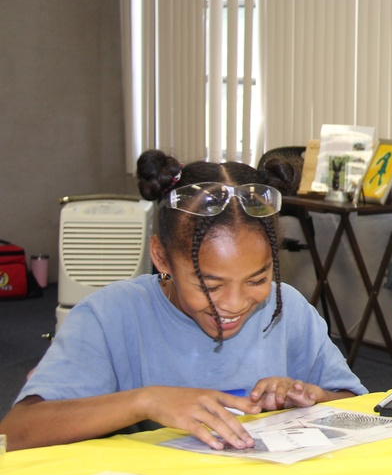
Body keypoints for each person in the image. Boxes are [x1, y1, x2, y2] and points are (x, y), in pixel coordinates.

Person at [0, 150, 366, 451]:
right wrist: (146, 401)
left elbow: (360, 410)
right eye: (211, 283)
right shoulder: (109, 316)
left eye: (258, 278)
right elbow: (17, 432)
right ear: (161, 257)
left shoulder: (288, 309)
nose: (235, 303)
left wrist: (313, 398)